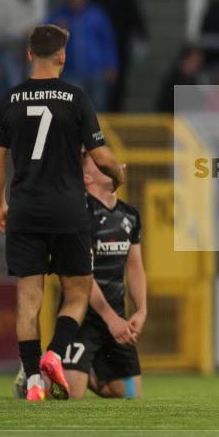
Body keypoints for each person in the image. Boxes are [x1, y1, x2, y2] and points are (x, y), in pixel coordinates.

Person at [0, 24, 125, 402]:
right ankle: (54, 354)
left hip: (26, 211)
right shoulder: (76, 99)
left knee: (28, 301)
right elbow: (100, 156)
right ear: (62, 57)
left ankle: (33, 379)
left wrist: (1, 204)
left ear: (30, 55)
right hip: (67, 211)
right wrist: (118, 174)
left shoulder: (10, 100)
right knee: (77, 293)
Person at [64, 152, 146, 399]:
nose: (111, 164)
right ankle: (34, 375)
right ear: (87, 178)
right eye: (102, 164)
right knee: (69, 396)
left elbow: (135, 267)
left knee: (129, 395)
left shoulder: (130, 216)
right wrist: (111, 319)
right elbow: (82, 275)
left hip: (116, 317)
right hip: (82, 317)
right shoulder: (79, 215)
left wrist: (141, 310)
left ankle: (77, 370)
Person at [87, 0, 148, 112]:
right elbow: (133, 11)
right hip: (119, 41)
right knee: (116, 84)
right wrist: (142, 33)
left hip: (95, 46)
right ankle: (112, 114)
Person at [47, 0, 118, 112]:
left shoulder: (97, 14)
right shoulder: (60, 15)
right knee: (74, 106)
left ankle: (98, 131)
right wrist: (56, 28)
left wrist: (112, 65)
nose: (76, 0)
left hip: (96, 70)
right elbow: (43, 33)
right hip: (71, 71)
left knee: (98, 105)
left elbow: (108, 41)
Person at [156, 44, 207, 113]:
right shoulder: (173, 79)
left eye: (198, 61)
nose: (196, 64)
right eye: (194, 60)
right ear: (184, 59)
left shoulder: (195, 80)